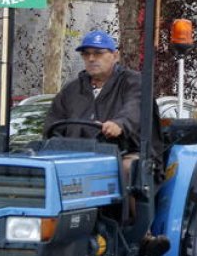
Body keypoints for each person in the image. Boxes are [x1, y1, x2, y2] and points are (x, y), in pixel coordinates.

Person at [46, 30, 150, 183]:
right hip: (74, 155)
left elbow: (135, 107)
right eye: (86, 54)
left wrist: (120, 124)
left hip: (121, 152)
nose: (91, 58)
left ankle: (130, 200)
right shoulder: (70, 90)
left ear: (115, 56)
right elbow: (53, 124)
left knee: (128, 167)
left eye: (98, 53)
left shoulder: (132, 82)